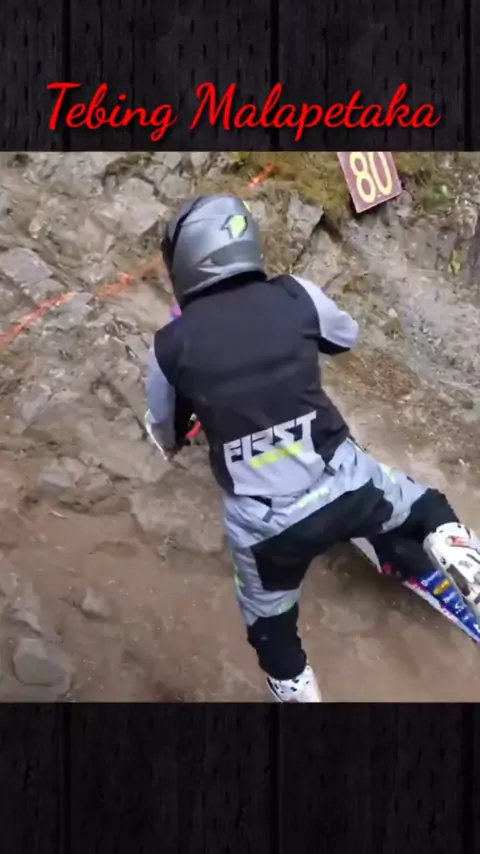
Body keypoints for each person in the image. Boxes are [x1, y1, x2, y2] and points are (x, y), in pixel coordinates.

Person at [145, 193, 480, 703]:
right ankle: (455, 552)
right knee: (427, 509)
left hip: (268, 531)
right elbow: (346, 336)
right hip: (346, 484)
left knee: (271, 632)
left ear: (188, 260)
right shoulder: (293, 294)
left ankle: (297, 691)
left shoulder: (169, 346)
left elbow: (166, 435)